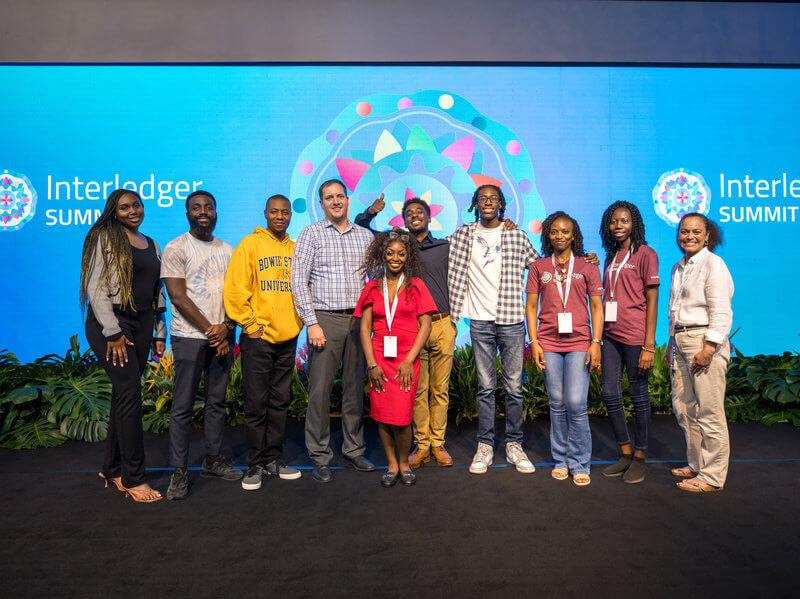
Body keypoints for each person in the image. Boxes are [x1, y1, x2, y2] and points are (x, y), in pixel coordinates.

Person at [355, 196, 456, 467]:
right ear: (404, 220)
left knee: (440, 389)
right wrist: (370, 212)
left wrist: (505, 223)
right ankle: (422, 445)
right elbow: (362, 228)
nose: (414, 215)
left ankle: (438, 443)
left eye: (419, 211)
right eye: (409, 213)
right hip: (412, 329)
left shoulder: (444, 246)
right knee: (417, 390)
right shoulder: (399, 247)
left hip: (441, 323)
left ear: (429, 217)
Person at [80, 189, 165, 503]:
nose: (133, 211)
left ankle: (112, 469)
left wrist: (159, 331)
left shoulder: (151, 243)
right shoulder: (104, 238)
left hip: (142, 323)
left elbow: (157, 291)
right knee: (130, 393)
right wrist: (113, 332)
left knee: (123, 395)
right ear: (113, 212)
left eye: (137, 205)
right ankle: (133, 478)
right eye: (125, 207)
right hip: (112, 324)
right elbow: (95, 286)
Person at [448, 184, 538, 475]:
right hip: (479, 321)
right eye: (482, 198)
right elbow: (430, 249)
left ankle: (514, 444)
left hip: (512, 320)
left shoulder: (517, 235)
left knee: (514, 388)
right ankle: (485, 445)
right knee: (485, 388)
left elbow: (540, 267)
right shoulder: (462, 235)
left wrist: (581, 257)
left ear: (501, 204)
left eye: (493, 198)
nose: (488, 202)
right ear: (475, 204)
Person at [291, 179, 376, 483]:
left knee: (354, 389)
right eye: (329, 198)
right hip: (324, 320)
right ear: (322, 204)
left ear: (348, 199)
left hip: (358, 321)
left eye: (340, 196)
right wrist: (311, 322)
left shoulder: (365, 236)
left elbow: (375, 277)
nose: (336, 201)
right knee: (320, 391)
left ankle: (354, 451)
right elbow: (298, 280)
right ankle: (319, 455)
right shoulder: (311, 234)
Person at [161, 190, 241, 500]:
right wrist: (212, 331)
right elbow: (178, 297)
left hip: (222, 337)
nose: (203, 211)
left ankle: (213, 460)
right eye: (196, 207)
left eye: (209, 207)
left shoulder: (227, 250)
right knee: (182, 407)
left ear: (216, 213)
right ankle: (179, 471)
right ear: (187, 214)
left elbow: (235, 295)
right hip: (190, 337)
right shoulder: (176, 247)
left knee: (216, 403)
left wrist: (227, 328)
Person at [224, 194, 304, 490]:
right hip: (258, 338)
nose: (280, 217)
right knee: (256, 403)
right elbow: (235, 290)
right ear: (266, 214)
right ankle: (255, 464)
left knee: (279, 402)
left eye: (285, 212)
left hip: (287, 337)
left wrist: (298, 324)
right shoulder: (250, 244)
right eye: (274, 212)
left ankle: (273, 459)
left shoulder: (295, 249)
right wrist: (250, 325)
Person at [526, 211, 604, 486]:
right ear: (548, 235)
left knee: (576, 403)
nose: (560, 236)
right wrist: (534, 342)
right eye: (554, 231)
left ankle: (580, 462)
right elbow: (531, 307)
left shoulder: (587, 266)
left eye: (565, 232)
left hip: (580, 342)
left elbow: (597, 307)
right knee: (557, 403)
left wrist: (596, 342)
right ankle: (560, 460)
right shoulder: (538, 267)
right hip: (547, 342)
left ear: (574, 236)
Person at [355, 232, 436, 486]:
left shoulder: (417, 286)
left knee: (402, 417)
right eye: (390, 253)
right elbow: (365, 328)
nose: (395, 258)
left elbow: (426, 326)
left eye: (401, 254)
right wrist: (372, 364)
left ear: (408, 257)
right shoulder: (372, 287)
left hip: (406, 361)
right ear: (382, 255)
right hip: (379, 360)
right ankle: (391, 464)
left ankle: (404, 462)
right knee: (382, 415)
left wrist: (409, 360)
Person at [668, 212, 733, 493]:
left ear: (707, 236)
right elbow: (674, 307)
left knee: (709, 410)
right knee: (684, 409)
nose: (689, 236)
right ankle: (696, 464)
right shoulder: (678, 266)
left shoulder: (713, 264)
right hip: (680, 339)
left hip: (703, 340)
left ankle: (712, 476)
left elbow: (721, 311)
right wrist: (671, 342)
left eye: (696, 231)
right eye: (684, 231)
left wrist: (709, 347)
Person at [597, 201, 660, 484]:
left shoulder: (646, 254)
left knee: (638, 395)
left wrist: (649, 345)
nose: (618, 226)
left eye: (624, 220)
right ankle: (625, 453)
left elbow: (652, 300)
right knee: (610, 394)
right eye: (613, 221)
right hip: (610, 335)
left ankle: (640, 458)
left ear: (634, 223)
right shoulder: (611, 257)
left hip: (635, 336)